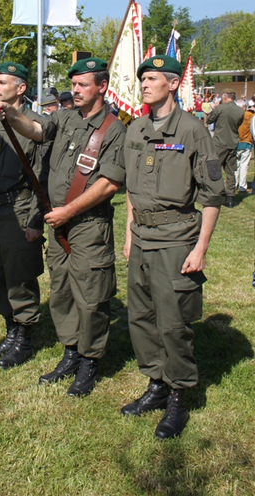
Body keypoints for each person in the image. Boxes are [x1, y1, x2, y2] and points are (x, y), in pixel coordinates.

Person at [0, 58, 126, 396]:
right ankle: (71, 352)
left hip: (88, 226)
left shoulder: (114, 129)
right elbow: (37, 131)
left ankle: (90, 361)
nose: (75, 90)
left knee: (91, 297)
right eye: (74, 85)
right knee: (63, 292)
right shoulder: (66, 117)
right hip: (59, 225)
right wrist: (11, 115)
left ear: (102, 86)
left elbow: (109, 183)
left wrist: (67, 211)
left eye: (83, 85)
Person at [122, 55, 226, 440]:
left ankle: (180, 394)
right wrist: (130, 235)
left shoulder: (193, 130)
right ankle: (156, 383)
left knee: (173, 322)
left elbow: (213, 196)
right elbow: (132, 188)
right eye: (143, 79)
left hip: (177, 239)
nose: (144, 84)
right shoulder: (136, 129)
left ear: (170, 83)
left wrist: (200, 250)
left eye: (151, 79)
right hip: (143, 237)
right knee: (142, 318)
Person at [0, 62, 50, 369]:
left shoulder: (36, 124)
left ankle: (24, 337)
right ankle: (10, 330)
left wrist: (35, 220)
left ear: (20, 88)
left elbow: (42, 177)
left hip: (19, 210)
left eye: (2, 82)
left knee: (20, 277)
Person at [206, 89, 245, 207]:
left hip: (220, 143)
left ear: (226, 98)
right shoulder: (240, 110)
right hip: (233, 143)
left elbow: (209, 120)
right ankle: (230, 197)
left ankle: (215, 194)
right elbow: (238, 124)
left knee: (214, 169)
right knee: (230, 170)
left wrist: (214, 108)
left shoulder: (220, 108)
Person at [236, 100, 255, 193]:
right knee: (244, 166)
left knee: (235, 165)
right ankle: (242, 185)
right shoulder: (250, 115)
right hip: (246, 143)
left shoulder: (234, 116)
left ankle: (234, 183)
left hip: (236, 143)